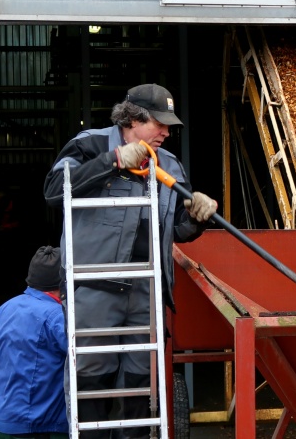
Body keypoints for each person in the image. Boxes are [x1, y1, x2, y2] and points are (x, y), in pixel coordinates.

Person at [43, 83, 217, 438]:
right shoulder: (89, 145)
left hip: (146, 289)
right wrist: (115, 160)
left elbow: (177, 231)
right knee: (91, 378)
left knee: (140, 382)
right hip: (94, 288)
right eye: (160, 123)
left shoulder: (167, 164)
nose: (167, 132)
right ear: (133, 119)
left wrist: (199, 216)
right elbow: (53, 191)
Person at [0, 246, 69, 439]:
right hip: (34, 424)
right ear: (64, 283)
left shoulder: (6, 307)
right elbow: (85, 362)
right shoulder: (56, 316)